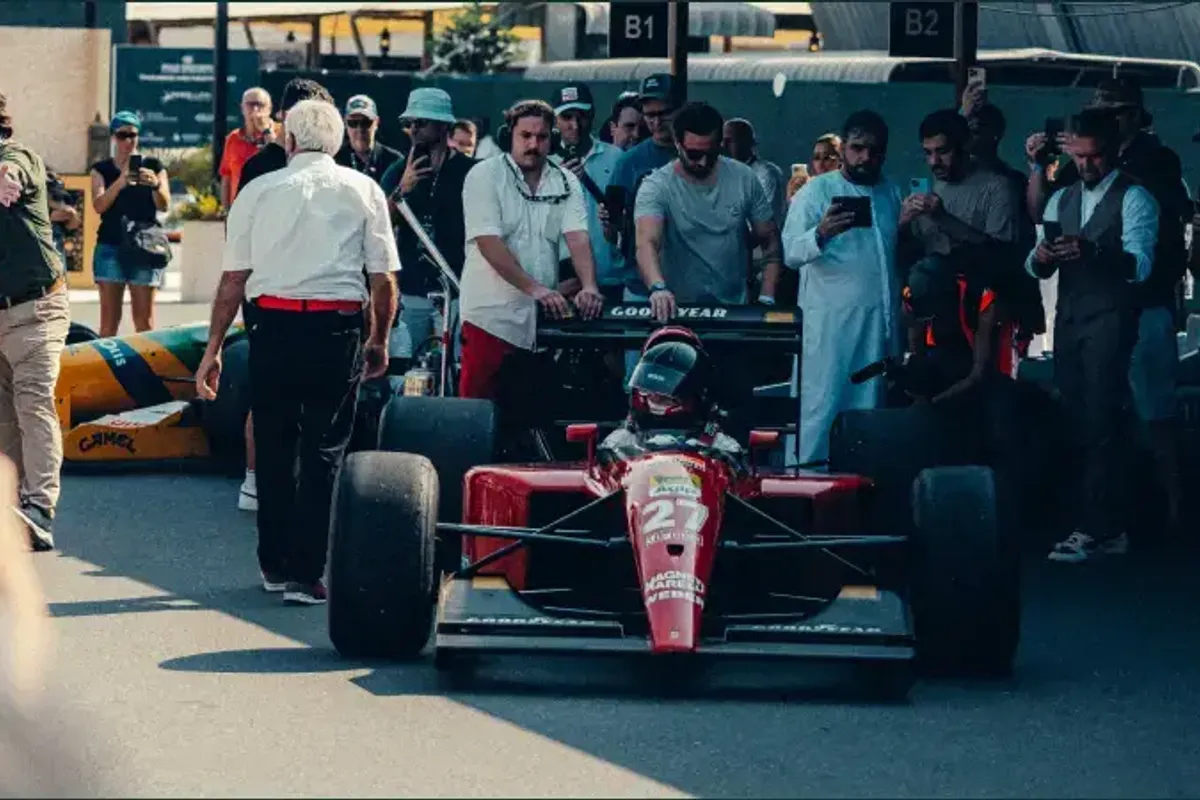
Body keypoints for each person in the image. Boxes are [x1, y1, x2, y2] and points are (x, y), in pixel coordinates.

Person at [195, 99, 400, 605]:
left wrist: (213, 349)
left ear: (289, 142)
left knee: (274, 442)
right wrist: (379, 340)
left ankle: (274, 562)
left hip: (273, 326)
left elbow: (232, 280)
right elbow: (383, 280)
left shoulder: (258, 190)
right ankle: (308, 574)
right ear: (334, 142)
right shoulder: (364, 189)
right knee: (325, 449)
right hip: (336, 329)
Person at [1029, 76, 1188, 535]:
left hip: (1144, 299)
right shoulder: (1083, 172)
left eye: (1112, 111)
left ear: (1133, 116)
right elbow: (1045, 213)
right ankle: (1123, 511)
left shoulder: (1155, 162)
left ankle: (1170, 510)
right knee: (1095, 411)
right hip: (1095, 305)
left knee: (1150, 412)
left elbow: (1149, 232)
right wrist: (1042, 166)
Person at [457, 99, 604, 408]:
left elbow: (577, 237)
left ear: (552, 138)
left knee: (531, 417)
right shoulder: (484, 176)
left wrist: (589, 286)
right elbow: (488, 242)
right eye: (526, 136)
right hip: (490, 318)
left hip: (540, 323)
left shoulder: (566, 181)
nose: (534, 144)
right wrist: (537, 289)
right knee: (478, 415)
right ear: (509, 134)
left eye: (541, 137)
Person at [234, 78, 336, 513]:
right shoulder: (261, 168)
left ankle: (297, 485)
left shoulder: (337, 168)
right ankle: (257, 479)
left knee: (307, 403)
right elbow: (238, 242)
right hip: (270, 300)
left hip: (321, 300)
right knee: (272, 400)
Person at [781, 110, 904, 466]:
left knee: (870, 411)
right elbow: (790, 251)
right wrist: (821, 234)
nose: (866, 157)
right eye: (858, 148)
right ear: (844, 147)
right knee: (822, 408)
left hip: (877, 328)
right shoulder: (817, 192)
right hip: (830, 330)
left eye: (875, 150)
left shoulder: (889, 192)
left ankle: (860, 495)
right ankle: (805, 496)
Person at [0, 94, 71, 552]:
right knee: (4, 416)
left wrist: (5, 177)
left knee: (33, 402)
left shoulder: (16, 156)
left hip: (37, 310)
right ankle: (12, 503)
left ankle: (39, 506)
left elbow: (14, 170)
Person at [635, 102, 781, 314]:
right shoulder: (656, 186)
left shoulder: (743, 177)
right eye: (694, 155)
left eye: (711, 153)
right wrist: (658, 288)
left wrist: (766, 297)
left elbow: (770, 240)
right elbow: (646, 243)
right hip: (677, 309)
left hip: (734, 309)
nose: (703, 162)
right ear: (677, 144)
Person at [900, 108, 1022, 356]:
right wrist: (902, 224)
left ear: (964, 146)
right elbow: (914, 254)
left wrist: (944, 218)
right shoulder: (932, 186)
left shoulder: (996, 187)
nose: (934, 161)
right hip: (931, 319)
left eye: (942, 151)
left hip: (979, 318)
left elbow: (1001, 257)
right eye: (928, 153)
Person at [379, 88, 477, 364]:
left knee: (457, 362)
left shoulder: (470, 171)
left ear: (443, 125)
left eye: (421, 122)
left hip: (457, 285)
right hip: (413, 287)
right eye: (410, 124)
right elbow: (379, 224)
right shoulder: (398, 171)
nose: (414, 129)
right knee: (413, 364)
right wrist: (403, 189)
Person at [599, 328, 744, 469]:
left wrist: (723, 462)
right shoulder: (619, 442)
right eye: (649, 384)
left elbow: (742, 482)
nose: (654, 394)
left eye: (667, 384)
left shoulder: (721, 445)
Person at [89, 111, 170, 337]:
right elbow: (99, 205)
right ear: (113, 137)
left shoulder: (154, 165)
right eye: (122, 135)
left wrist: (155, 185)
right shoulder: (101, 170)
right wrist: (120, 182)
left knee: (144, 323)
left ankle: (146, 372)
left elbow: (164, 204)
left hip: (145, 245)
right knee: (109, 324)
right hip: (111, 244)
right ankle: (107, 371)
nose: (128, 141)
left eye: (132, 135)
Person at [550, 82, 625, 304]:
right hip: (562, 284)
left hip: (611, 279)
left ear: (592, 116)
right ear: (555, 122)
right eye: (567, 117)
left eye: (581, 116)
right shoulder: (542, 165)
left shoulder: (616, 158)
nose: (575, 124)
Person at [609, 74, 681, 301]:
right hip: (641, 287)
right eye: (650, 115)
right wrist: (610, 223)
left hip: (692, 287)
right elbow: (614, 232)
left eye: (664, 113)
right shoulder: (628, 162)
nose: (657, 122)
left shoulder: (698, 155)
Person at [722, 117, 788, 305]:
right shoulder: (722, 173)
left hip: (761, 267)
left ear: (749, 143)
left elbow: (763, 228)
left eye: (730, 140)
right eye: (722, 141)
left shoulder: (766, 173)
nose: (724, 146)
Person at [237, 79, 334, 194]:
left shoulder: (325, 165)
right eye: (307, 116)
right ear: (284, 115)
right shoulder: (256, 169)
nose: (314, 125)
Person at [219, 87, 280, 209]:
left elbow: (279, 159)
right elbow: (226, 175)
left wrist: (265, 130)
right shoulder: (234, 138)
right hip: (241, 210)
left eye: (260, 105)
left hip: (271, 209)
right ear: (242, 108)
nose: (255, 109)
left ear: (269, 109)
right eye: (250, 105)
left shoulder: (281, 132)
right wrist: (226, 210)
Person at [333, 94, 401, 184]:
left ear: (376, 122)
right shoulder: (335, 160)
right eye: (353, 123)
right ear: (345, 123)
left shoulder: (394, 161)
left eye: (366, 122)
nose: (360, 129)